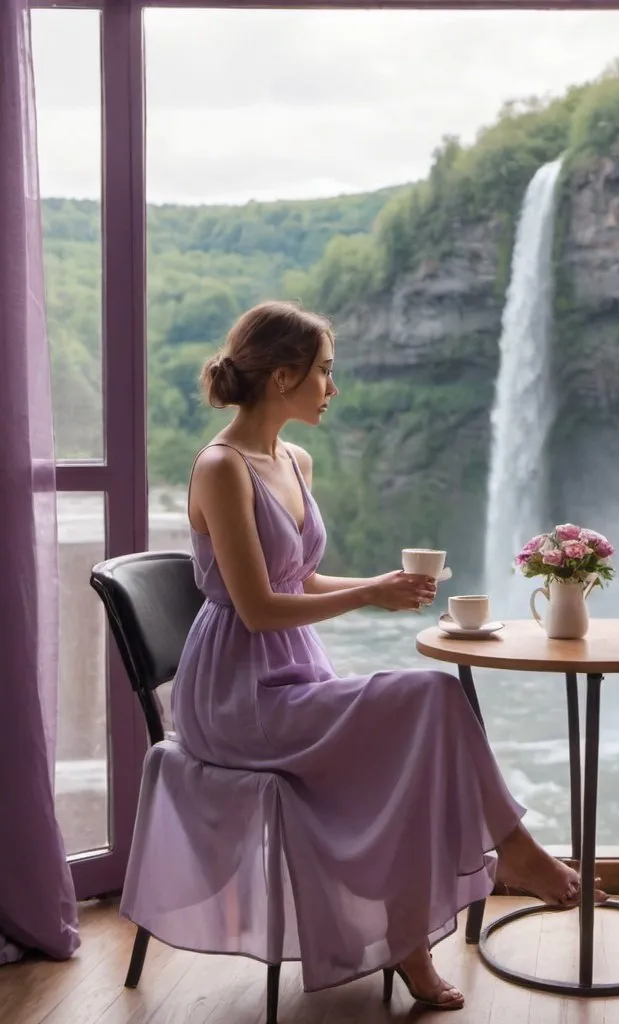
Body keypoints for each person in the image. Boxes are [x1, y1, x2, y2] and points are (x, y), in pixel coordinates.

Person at [160, 300, 589, 1010]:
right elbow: (260, 607)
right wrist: (369, 597)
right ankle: (510, 847)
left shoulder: (294, 459)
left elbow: (295, 576)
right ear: (283, 377)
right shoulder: (221, 468)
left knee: (416, 742)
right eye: (325, 373)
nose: (333, 388)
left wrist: (380, 585)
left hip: (294, 674)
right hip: (238, 693)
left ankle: (411, 946)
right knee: (434, 697)